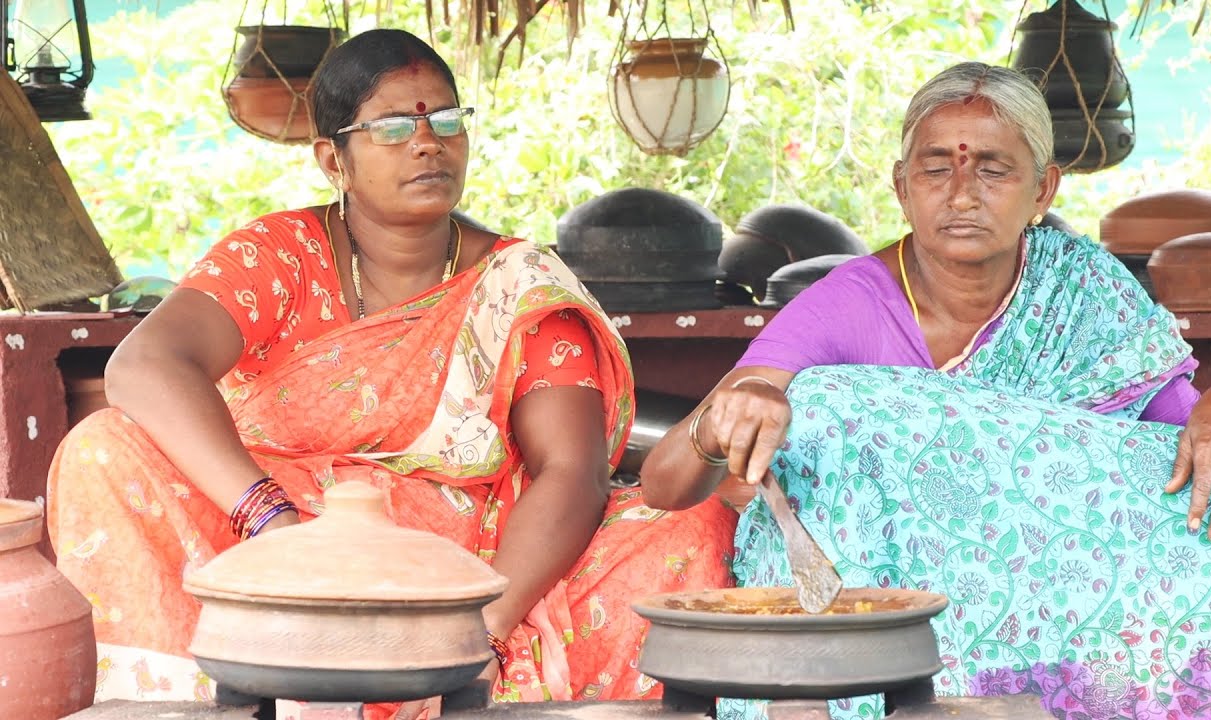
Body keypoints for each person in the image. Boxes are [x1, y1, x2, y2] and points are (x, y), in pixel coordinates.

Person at [47, 28, 737, 720]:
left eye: (445, 120)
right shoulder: (280, 256)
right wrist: (276, 526)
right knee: (103, 448)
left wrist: (475, 631)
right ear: (332, 159)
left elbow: (572, 472)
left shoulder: (517, 285)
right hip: (278, 558)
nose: (427, 142)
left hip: (459, 574)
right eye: (391, 127)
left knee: (686, 525)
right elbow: (144, 364)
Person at [641, 62, 1211, 720]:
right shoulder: (846, 306)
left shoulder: (1084, 289)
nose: (962, 194)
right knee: (828, 405)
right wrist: (721, 425)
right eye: (936, 167)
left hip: (1051, 612)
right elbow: (664, 484)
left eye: (994, 169)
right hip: (881, 631)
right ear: (902, 186)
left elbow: (1171, 447)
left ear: (1042, 189)